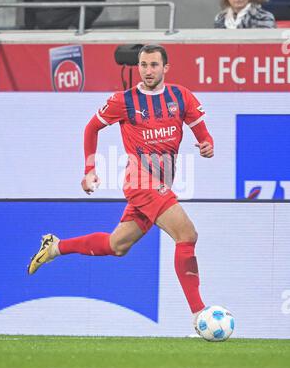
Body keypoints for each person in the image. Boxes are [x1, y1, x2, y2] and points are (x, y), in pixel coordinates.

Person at [27, 44, 214, 330]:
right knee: (187, 234)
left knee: (117, 245)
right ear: (138, 67)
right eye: (143, 65)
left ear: (166, 68)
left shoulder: (181, 96)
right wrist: (89, 169)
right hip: (139, 181)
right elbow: (91, 128)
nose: (148, 70)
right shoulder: (123, 100)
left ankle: (55, 247)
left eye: (154, 65)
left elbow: (201, 129)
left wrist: (206, 144)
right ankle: (201, 314)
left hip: (161, 182)